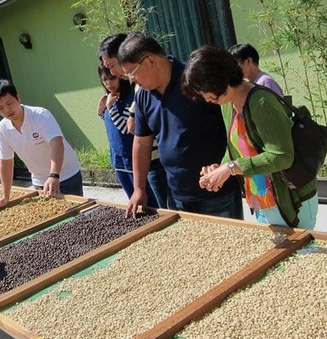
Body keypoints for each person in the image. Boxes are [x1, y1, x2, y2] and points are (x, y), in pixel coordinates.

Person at [181, 46, 318, 229]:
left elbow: (282, 156)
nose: (207, 99)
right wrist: (220, 168)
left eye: (207, 93)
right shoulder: (227, 103)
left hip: (290, 198)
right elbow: (237, 147)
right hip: (260, 198)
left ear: (220, 80)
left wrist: (230, 168)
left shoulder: (261, 102)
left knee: (301, 252)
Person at [118, 33, 242, 219]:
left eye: (132, 73)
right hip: (176, 195)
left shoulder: (195, 78)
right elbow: (141, 143)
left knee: (231, 246)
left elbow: (234, 121)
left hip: (216, 190)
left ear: (150, 61)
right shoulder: (143, 95)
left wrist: (229, 166)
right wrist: (139, 188)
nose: (132, 80)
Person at [98, 34, 173, 209]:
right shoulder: (137, 86)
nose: (113, 73)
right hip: (151, 161)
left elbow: (131, 127)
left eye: (112, 66)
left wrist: (112, 109)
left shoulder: (144, 85)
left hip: (163, 162)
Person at [0, 79, 83, 209]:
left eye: (9, 103)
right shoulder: (2, 129)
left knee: (75, 216)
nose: (7, 110)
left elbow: (57, 143)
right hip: (39, 181)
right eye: (0, 108)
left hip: (66, 175)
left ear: (18, 97)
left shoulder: (40, 115)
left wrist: (54, 175)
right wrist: (5, 196)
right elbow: (6, 162)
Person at [96, 64, 158, 207]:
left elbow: (125, 128)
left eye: (112, 78)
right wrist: (101, 113)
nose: (108, 83)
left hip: (132, 159)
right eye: (104, 79)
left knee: (148, 201)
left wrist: (110, 108)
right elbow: (112, 125)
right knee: (132, 199)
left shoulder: (130, 98)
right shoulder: (109, 98)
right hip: (117, 159)